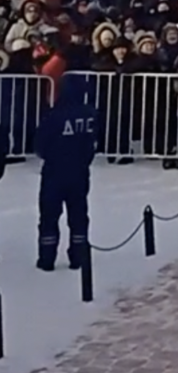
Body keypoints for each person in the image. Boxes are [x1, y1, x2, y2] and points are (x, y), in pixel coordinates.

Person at [34, 73, 98, 271]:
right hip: (79, 172)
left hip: (54, 172)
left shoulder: (53, 115)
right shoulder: (91, 114)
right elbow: (95, 141)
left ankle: (47, 258)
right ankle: (79, 256)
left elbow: (39, 145)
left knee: (49, 216)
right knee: (78, 216)